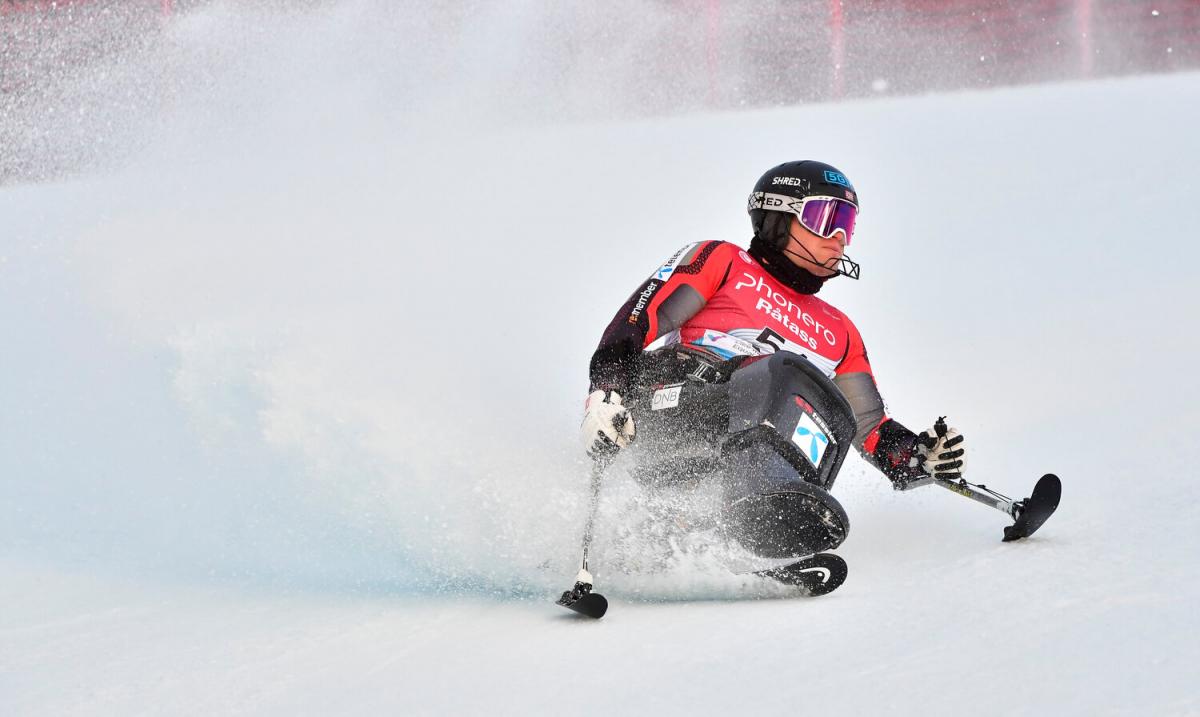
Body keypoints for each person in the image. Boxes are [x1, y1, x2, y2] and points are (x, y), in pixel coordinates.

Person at [579, 160, 966, 563]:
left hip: (734, 449)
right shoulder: (725, 261)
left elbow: (868, 427)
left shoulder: (840, 330)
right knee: (788, 370)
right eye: (825, 218)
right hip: (671, 406)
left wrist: (917, 455)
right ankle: (763, 511)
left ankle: (711, 530)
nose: (838, 239)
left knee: (828, 405)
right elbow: (635, 323)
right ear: (779, 218)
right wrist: (605, 395)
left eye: (847, 224)